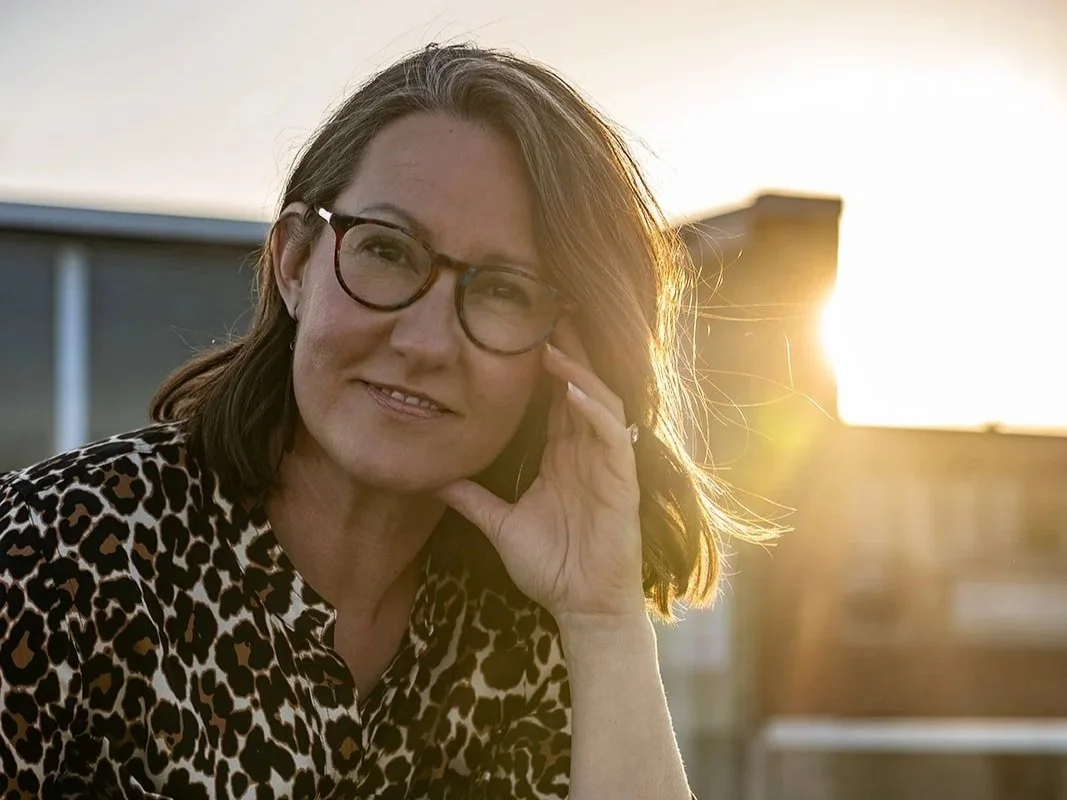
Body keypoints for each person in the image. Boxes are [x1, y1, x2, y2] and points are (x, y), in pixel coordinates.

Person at [0, 43, 751, 798]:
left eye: (502, 291)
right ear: (294, 262)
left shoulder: (529, 624)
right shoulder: (48, 558)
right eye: (386, 251)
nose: (423, 342)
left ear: (562, 349)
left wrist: (603, 622)